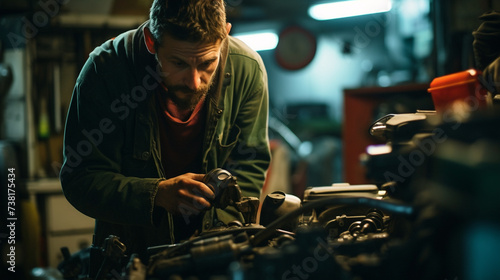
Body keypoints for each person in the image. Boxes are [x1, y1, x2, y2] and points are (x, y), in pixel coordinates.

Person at [59, 0, 270, 260]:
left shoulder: (247, 69)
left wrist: (221, 232)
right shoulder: (106, 70)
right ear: (151, 41)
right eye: (179, 63)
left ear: (225, 34)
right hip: (129, 257)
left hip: (217, 252)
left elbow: (250, 162)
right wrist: (156, 194)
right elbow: (80, 178)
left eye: (206, 64)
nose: (194, 82)